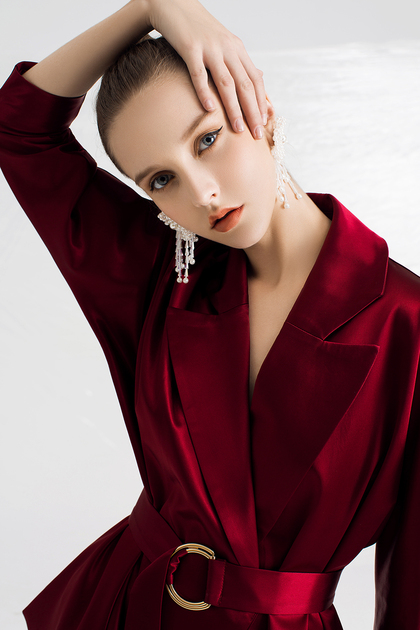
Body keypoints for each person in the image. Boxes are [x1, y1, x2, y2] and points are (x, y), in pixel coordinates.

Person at [0, 1, 419, 629]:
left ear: (262, 109)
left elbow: (414, 580)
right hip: (129, 606)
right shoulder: (159, 277)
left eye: (206, 140)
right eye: (160, 180)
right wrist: (153, 6)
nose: (202, 193)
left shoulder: (406, 323)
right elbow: (19, 129)